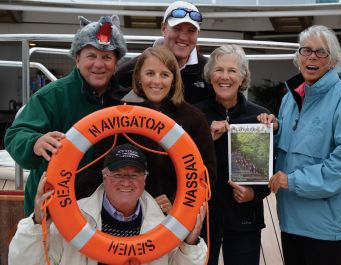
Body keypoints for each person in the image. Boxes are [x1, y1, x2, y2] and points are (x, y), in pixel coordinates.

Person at [259, 25, 341, 265]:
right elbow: (289, 149)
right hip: (291, 219)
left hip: (326, 225)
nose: (312, 56)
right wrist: (274, 130)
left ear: (333, 61)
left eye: (321, 52)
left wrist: (292, 180)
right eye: (306, 50)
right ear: (298, 57)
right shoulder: (290, 99)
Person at [4, 15, 127, 215]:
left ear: (116, 63)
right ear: (77, 59)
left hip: (105, 205)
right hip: (53, 202)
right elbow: (15, 134)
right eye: (91, 56)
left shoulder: (124, 100)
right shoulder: (52, 96)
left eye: (106, 57)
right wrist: (35, 142)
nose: (99, 64)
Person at [8, 144, 207, 265]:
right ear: (104, 177)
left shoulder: (165, 226)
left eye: (134, 175)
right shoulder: (72, 218)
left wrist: (189, 245)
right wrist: (37, 224)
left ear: (145, 179)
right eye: (118, 174)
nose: (126, 181)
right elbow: (22, 262)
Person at [86, 45, 217, 215]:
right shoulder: (117, 113)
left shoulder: (193, 118)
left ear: (174, 80)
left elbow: (207, 174)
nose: (156, 81)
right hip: (125, 214)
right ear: (139, 76)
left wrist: (177, 203)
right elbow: (98, 168)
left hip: (172, 216)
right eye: (150, 73)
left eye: (164, 75)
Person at [195, 44, 271, 265]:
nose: (224, 77)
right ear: (210, 75)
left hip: (245, 218)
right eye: (218, 70)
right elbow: (182, 163)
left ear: (243, 76)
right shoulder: (195, 114)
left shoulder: (260, 117)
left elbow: (270, 169)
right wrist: (206, 138)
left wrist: (254, 194)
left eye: (232, 70)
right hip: (203, 219)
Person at [116, 0, 213, 104]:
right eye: (177, 29)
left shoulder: (210, 72)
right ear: (163, 28)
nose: (184, 37)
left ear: (198, 33)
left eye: (191, 31)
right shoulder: (130, 70)